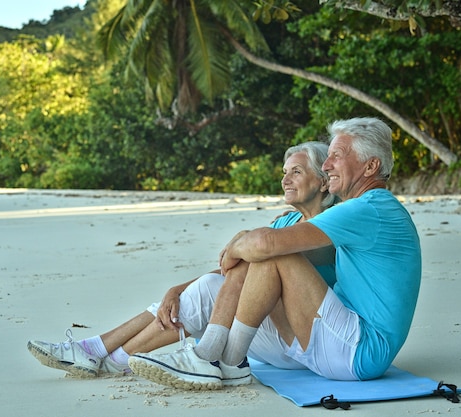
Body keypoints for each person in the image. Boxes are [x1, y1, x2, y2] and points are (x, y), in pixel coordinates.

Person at [128, 117, 422, 390]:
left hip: (359, 350)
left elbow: (267, 245)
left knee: (278, 252)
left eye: (337, 156)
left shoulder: (368, 208)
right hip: (343, 344)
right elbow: (266, 246)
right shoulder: (365, 209)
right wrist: (247, 245)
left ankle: (218, 358)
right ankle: (221, 358)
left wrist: (236, 246)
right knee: (266, 254)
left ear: (370, 167)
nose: (328, 165)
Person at [27, 141, 337, 383]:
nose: (285, 179)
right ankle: (101, 353)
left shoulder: (330, 226)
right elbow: (234, 273)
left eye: (296, 171)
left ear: (324, 182)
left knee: (204, 293)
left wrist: (245, 239)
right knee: (202, 288)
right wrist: (175, 289)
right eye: (284, 172)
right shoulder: (286, 223)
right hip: (267, 331)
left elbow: (264, 261)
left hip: (301, 342)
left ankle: (104, 356)